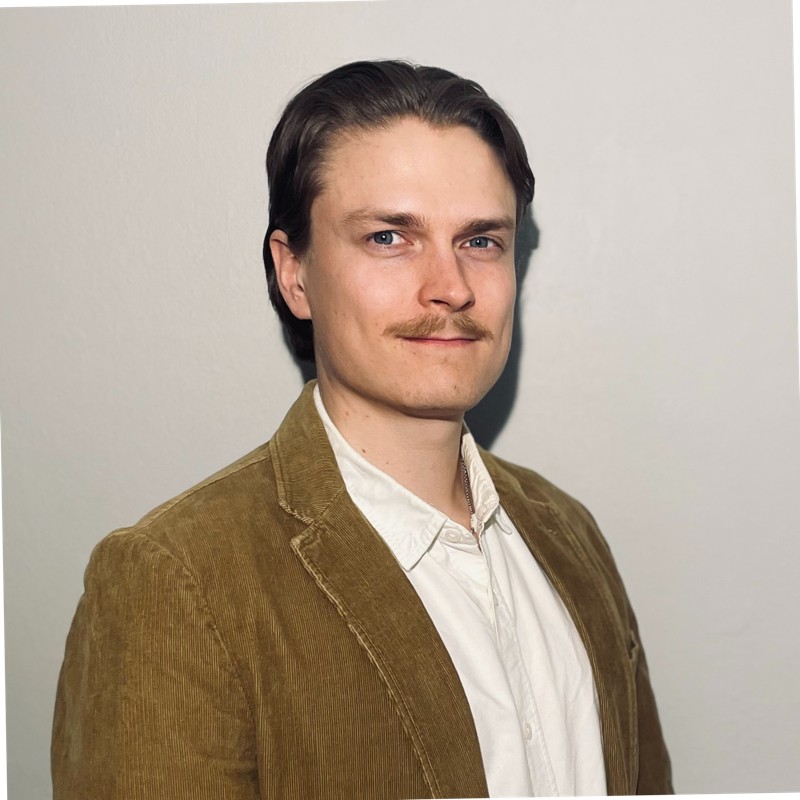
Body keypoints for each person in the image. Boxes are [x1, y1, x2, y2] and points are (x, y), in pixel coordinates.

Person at [52, 60, 672, 799]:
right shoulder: (177, 582)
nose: (451, 286)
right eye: (388, 237)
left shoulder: (570, 535)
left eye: (480, 241)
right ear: (294, 273)